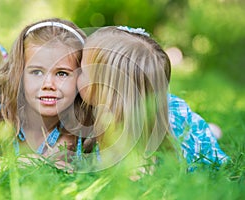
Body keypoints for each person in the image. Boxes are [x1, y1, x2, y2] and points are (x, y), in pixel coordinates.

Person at [77, 26, 229, 171]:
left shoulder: (135, 144)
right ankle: (213, 128)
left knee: (205, 132)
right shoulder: (92, 112)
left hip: (182, 125)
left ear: (106, 90)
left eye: (82, 70)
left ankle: (212, 131)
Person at [0, 18, 93, 170]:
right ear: (19, 75)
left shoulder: (84, 120)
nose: (48, 85)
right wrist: (23, 162)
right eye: (37, 72)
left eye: (62, 73)